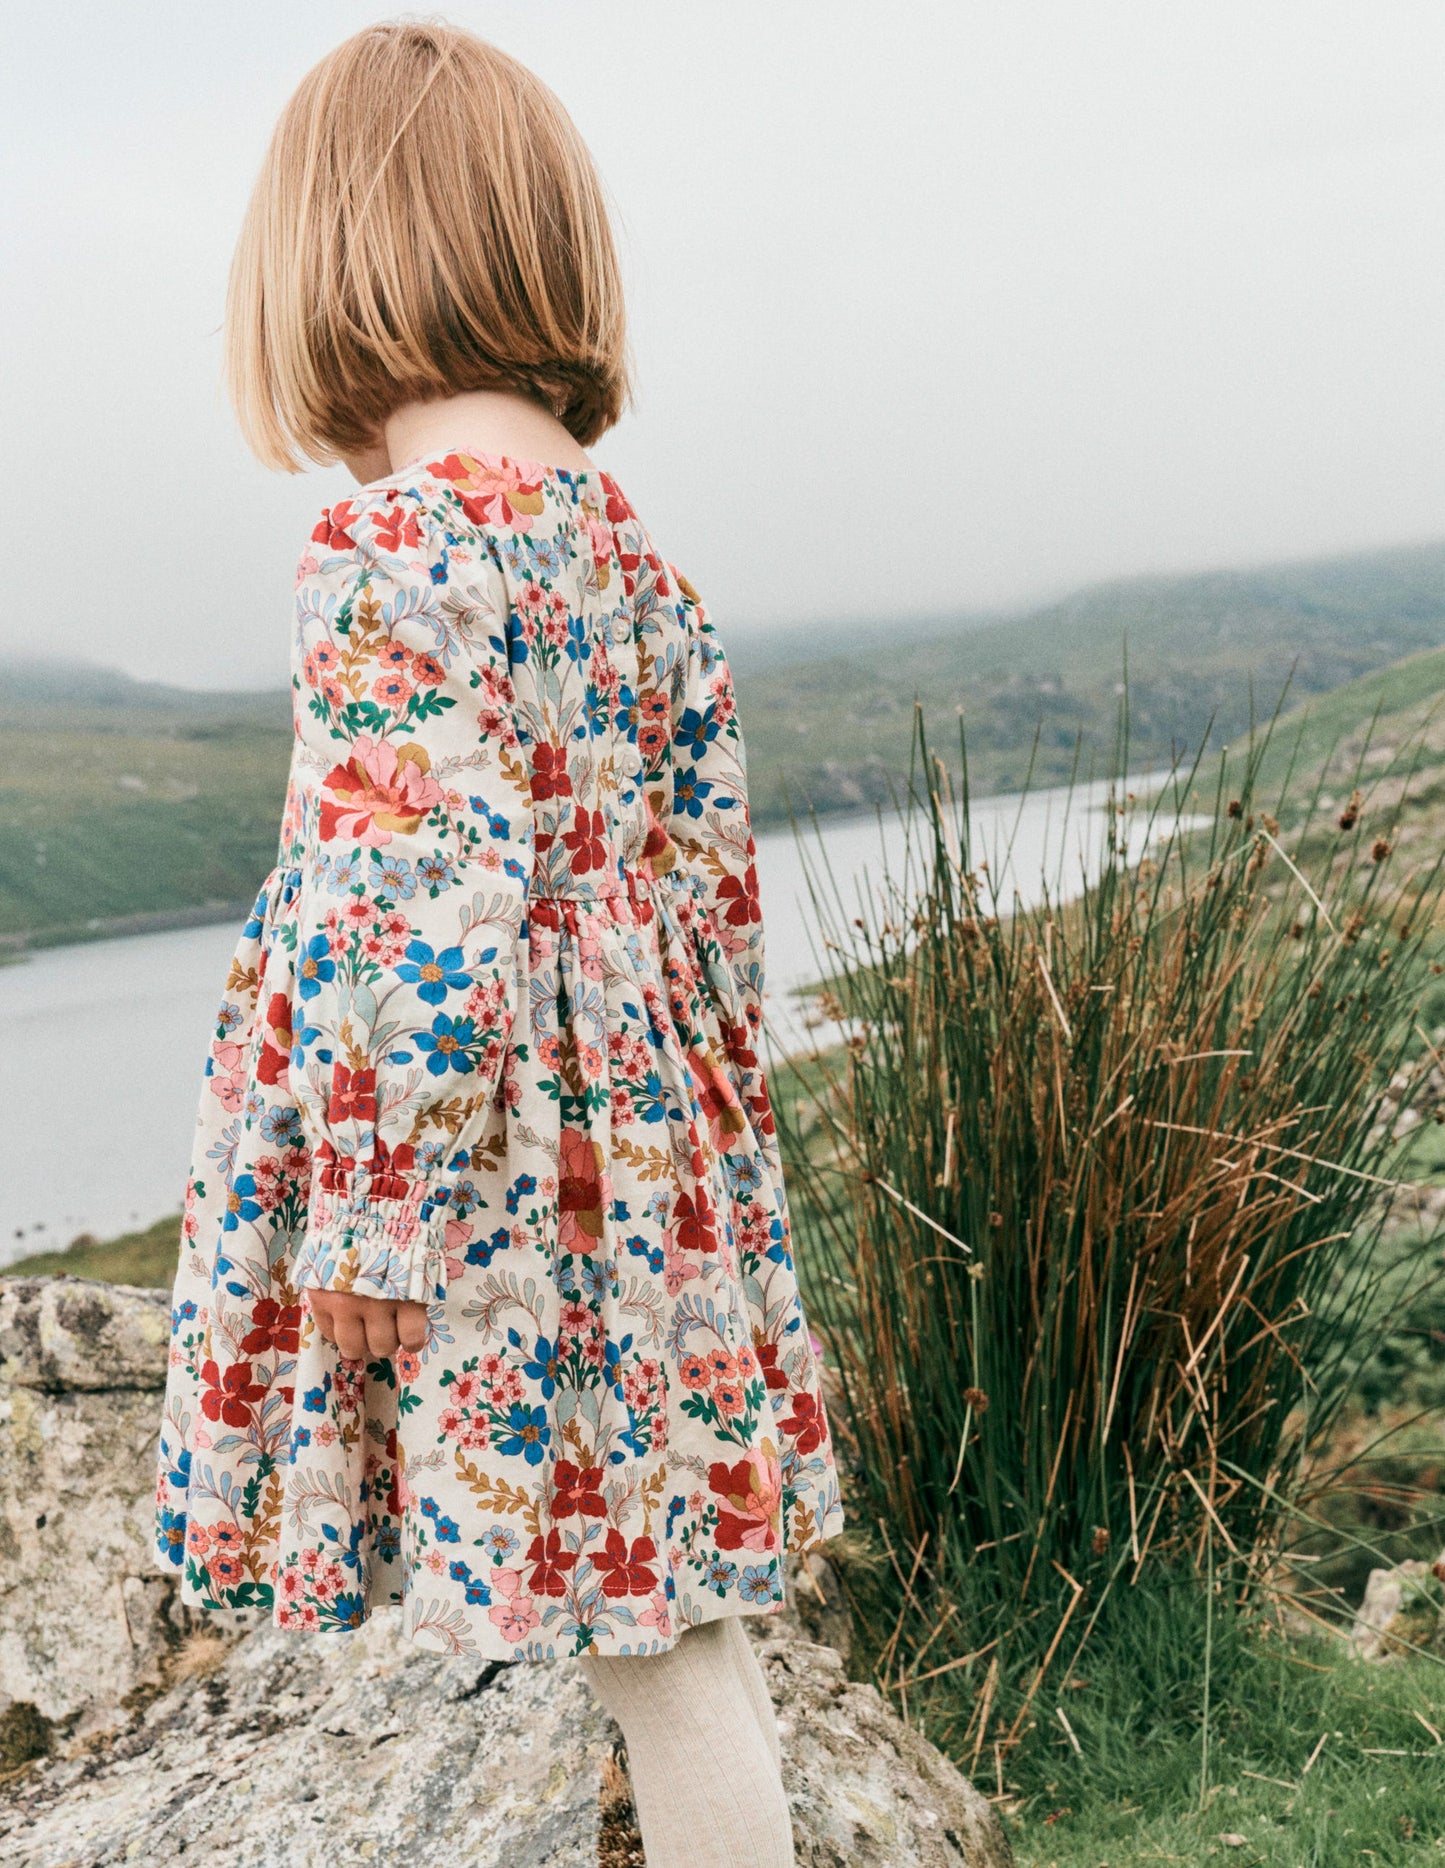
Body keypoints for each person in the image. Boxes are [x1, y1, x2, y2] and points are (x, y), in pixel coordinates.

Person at [151, 19, 846, 1865]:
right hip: (645, 1167)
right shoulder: (634, 558)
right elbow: (710, 908)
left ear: (332, 268)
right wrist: (712, 1179)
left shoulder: (388, 548)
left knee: (650, 1631)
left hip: (476, 1183)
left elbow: (406, 905)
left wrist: (376, 1213)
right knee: (667, 1618)